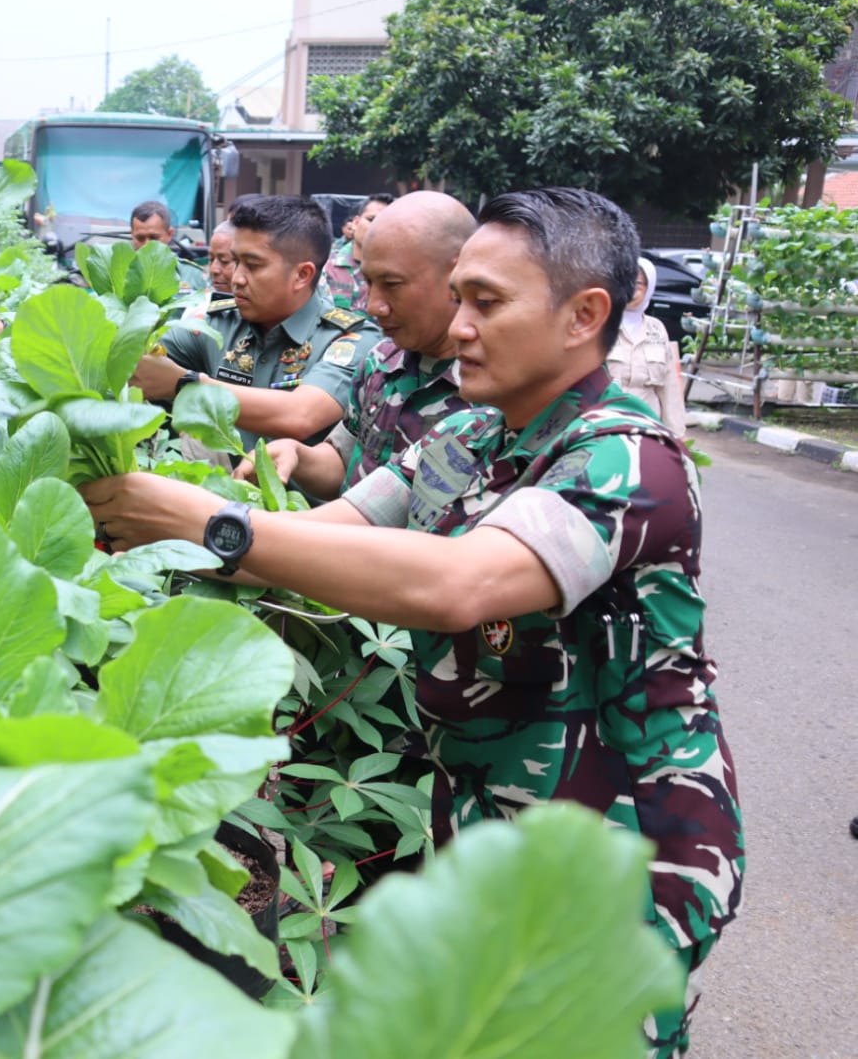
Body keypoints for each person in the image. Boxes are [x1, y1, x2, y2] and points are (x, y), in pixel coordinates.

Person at [87, 187, 743, 1058]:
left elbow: (458, 586)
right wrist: (151, 531)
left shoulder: (627, 459)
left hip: (617, 849)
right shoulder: (470, 433)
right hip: (485, 816)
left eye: (487, 302)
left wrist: (207, 524)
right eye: (460, 295)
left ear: (584, 315)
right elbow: (331, 537)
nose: (458, 325)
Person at [237, 191, 475, 500]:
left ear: (456, 275)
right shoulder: (382, 361)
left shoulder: (491, 387)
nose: (373, 306)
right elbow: (345, 460)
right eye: (369, 283)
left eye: (392, 285)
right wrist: (297, 455)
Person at [129, 194, 378, 450]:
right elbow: (143, 362)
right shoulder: (218, 323)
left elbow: (300, 415)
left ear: (302, 275)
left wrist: (186, 385)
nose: (236, 278)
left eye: (253, 265)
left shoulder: (348, 340)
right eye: (236, 262)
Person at [608, 257, 688, 435]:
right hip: (605, 422)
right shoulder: (602, 324)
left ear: (648, 288)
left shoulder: (656, 329)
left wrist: (676, 435)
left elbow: (669, 387)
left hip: (647, 425)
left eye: (637, 285)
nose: (630, 290)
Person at [321, 192, 394, 311]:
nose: (377, 227)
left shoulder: (398, 273)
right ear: (355, 223)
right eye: (371, 219)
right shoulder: (325, 265)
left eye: (387, 223)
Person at [129, 199, 208, 292]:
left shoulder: (195, 277)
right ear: (132, 236)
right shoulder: (117, 275)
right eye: (140, 238)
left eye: (154, 238)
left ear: (170, 234)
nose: (147, 245)